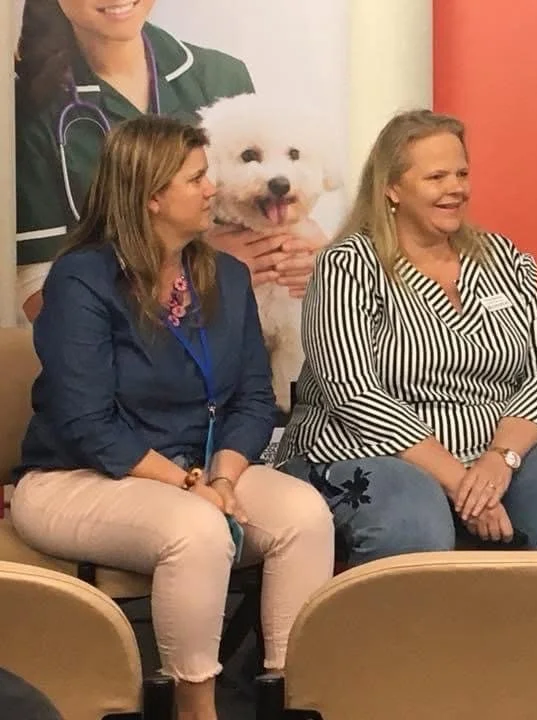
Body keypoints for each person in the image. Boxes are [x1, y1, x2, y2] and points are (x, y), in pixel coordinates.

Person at [10, 115, 334, 720]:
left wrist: (222, 478)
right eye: (197, 178)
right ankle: (196, 707)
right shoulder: (82, 279)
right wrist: (192, 487)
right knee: (199, 530)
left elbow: (252, 401)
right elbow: (87, 423)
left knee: (305, 516)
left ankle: (288, 695)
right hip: (74, 478)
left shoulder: (227, 277)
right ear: (152, 196)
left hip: (200, 473)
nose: (212, 189)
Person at [276, 109, 537, 566]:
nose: (455, 188)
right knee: (411, 526)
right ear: (392, 188)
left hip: (502, 452)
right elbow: (354, 393)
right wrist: (462, 482)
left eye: (462, 173)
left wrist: (499, 461)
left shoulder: (506, 259)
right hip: (376, 450)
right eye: (436, 176)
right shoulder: (348, 265)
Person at [14, 0, 323, 323]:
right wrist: (194, 271)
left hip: (239, 340)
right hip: (120, 355)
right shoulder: (30, 106)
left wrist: (308, 256)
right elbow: (41, 298)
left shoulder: (221, 77)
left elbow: (266, 208)